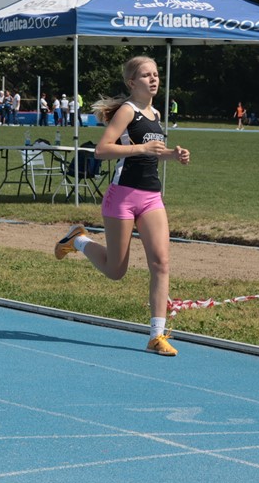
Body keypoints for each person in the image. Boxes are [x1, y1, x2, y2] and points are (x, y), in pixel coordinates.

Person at [55, 56, 190, 357]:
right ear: (132, 82)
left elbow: (152, 152)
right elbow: (101, 150)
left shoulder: (155, 113)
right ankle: (78, 240)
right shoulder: (127, 111)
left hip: (151, 197)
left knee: (161, 263)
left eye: (156, 74)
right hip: (123, 197)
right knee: (116, 270)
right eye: (146, 75)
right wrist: (141, 147)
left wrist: (173, 154)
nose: (154, 79)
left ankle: (156, 336)